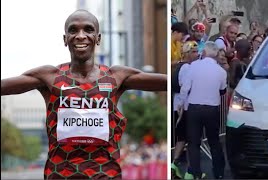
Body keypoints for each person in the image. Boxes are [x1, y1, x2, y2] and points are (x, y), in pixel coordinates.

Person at [1, 10, 167, 180]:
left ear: (98, 38)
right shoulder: (49, 77)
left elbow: (169, 82)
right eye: (73, 30)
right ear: (65, 39)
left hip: (105, 174)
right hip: (61, 175)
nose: (81, 36)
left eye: (88, 30)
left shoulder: (115, 77)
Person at [177, 41, 227, 179]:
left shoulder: (193, 67)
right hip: (212, 108)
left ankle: (196, 173)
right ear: (216, 55)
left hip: (194, 108)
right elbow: (222, 91)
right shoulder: (221, 72)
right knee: (214, 141)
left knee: (193, 143)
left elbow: (185, 88)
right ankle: (219, 173)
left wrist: (180, 105)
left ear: (203, 53)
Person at [171, 41, 199, 179]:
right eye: (193, 52)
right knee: (191, 140)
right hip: (185, 108)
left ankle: (173, 165)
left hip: (180, 106)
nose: (197, 54)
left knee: (182, 139)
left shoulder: (180, 66)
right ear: (187, 53)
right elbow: (185, 88)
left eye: (197, 51)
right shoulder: (187, 67)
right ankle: (190, 172)